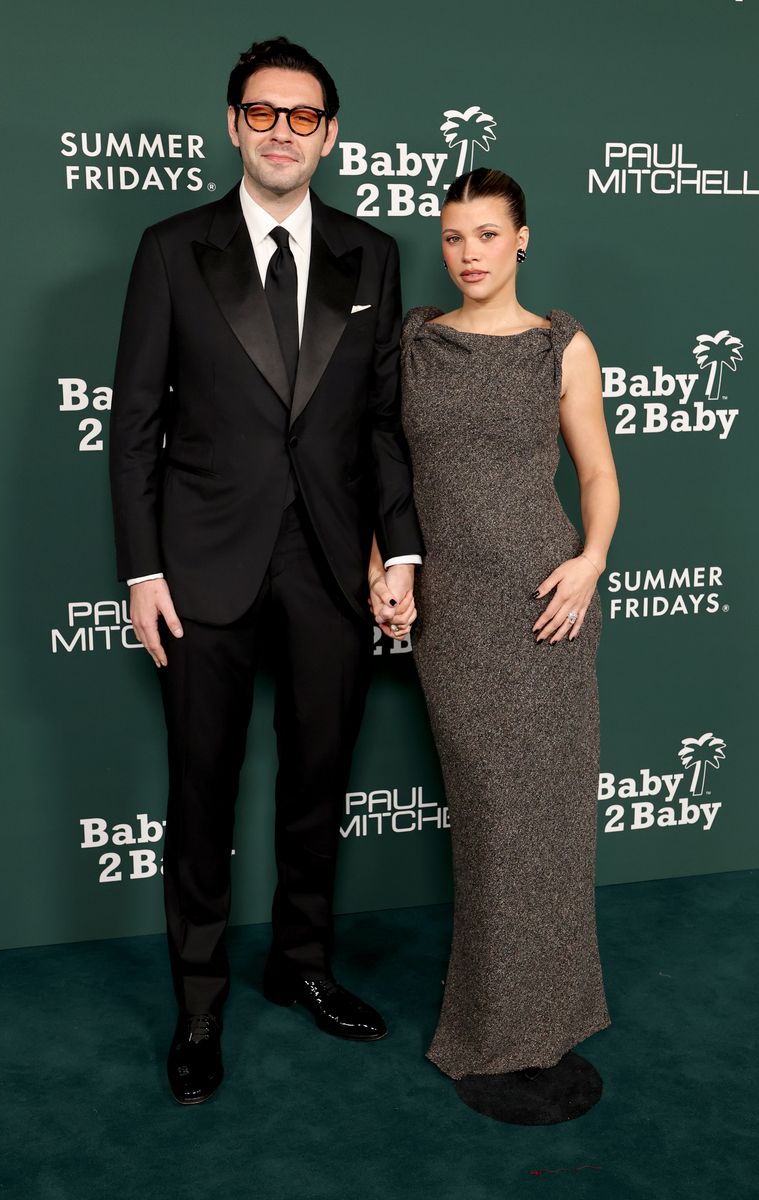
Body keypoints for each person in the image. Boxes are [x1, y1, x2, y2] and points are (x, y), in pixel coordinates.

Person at [109, 36, 423, 1106]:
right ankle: (199, 1006)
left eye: (303, 116)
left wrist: (402, 548)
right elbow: (132, 425)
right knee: (199, 794)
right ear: (233, 124)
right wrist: (142, 570)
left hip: (331, 565)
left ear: (329, 134)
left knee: (316, 782)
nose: (282, 131)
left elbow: (382, 425)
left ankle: (302, 967)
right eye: (263, 112)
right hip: (200, 566)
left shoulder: (371, 255)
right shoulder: (168, 248)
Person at [373, 167, 619, 1124]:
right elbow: (382, 474)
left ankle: (549, 1020)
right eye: (452, 237)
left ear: (521, 240)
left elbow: (596, 471)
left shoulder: (563, 346)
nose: (467, 253)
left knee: (552, 824)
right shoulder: (412, 346)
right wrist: (381, 568)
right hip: (458, 615)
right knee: (491, 822)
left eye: (485, 235)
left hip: (545, 598)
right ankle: (487, 1031)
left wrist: (591, 560)